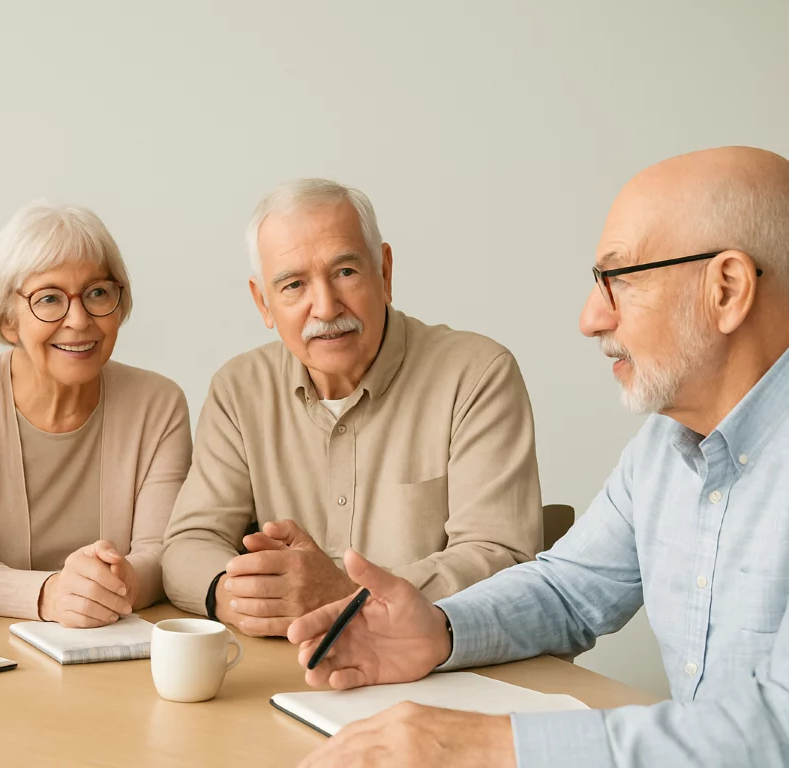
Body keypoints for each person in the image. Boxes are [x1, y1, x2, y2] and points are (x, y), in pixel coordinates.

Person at [288, 146, 789, 767]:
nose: (590, 318)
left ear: (728, 289)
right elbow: (568, 588)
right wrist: (438, 631)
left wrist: (488, 746)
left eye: (620, 279)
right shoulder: (665, 445)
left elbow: (777, 730)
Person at [162, 179, 543, 637]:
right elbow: (188, 545)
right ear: (263, 302)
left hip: (438, 672)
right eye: (293, 284)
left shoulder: (477, 374)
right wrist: (231, 591)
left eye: (345, 272)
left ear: (384, 272)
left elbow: (501, 557)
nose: (324, 307)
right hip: (286, 671)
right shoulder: (239, 389)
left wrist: (344, 593)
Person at [0, 201, 191, 628]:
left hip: (122, 645)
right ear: (9, 320)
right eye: (49, 299)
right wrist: (49, 594)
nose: (80, 319)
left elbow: (165, 552)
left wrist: (120, 581)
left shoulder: (159, 405)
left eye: (97, 292)